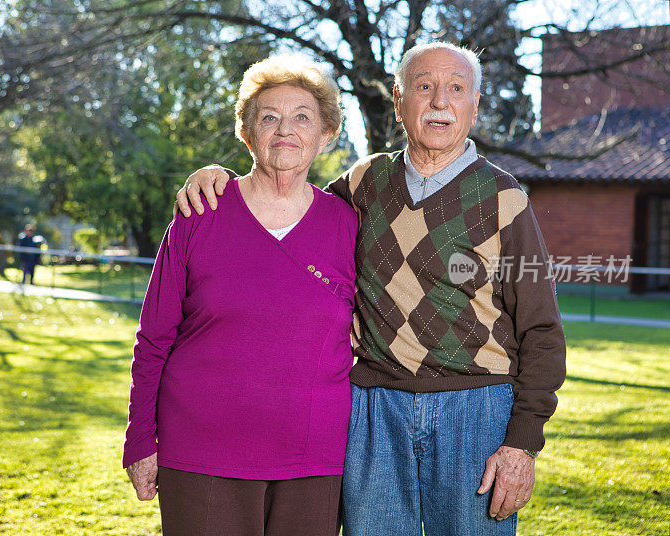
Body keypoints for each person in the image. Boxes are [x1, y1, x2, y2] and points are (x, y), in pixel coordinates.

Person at [175, 42, 566, 536]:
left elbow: (543, 330)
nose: (440, 102)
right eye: (424, 88)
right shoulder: (365, 182)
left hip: (476, 409)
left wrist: (522, 443)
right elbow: (286, 199)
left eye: (456, 89)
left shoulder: (506, 198)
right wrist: (219, 178)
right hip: (375, 405)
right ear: (400, 103)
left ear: (475, 103)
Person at [122, 54, 358, 536]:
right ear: (246, 134)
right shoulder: (199, 213)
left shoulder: (349, 223)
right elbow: (153, 340)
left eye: (302, 118)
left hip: (315, 457)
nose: (285, 129)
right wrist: (140, 438)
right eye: (269, 117)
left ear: (325, 135)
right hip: (202, 451)